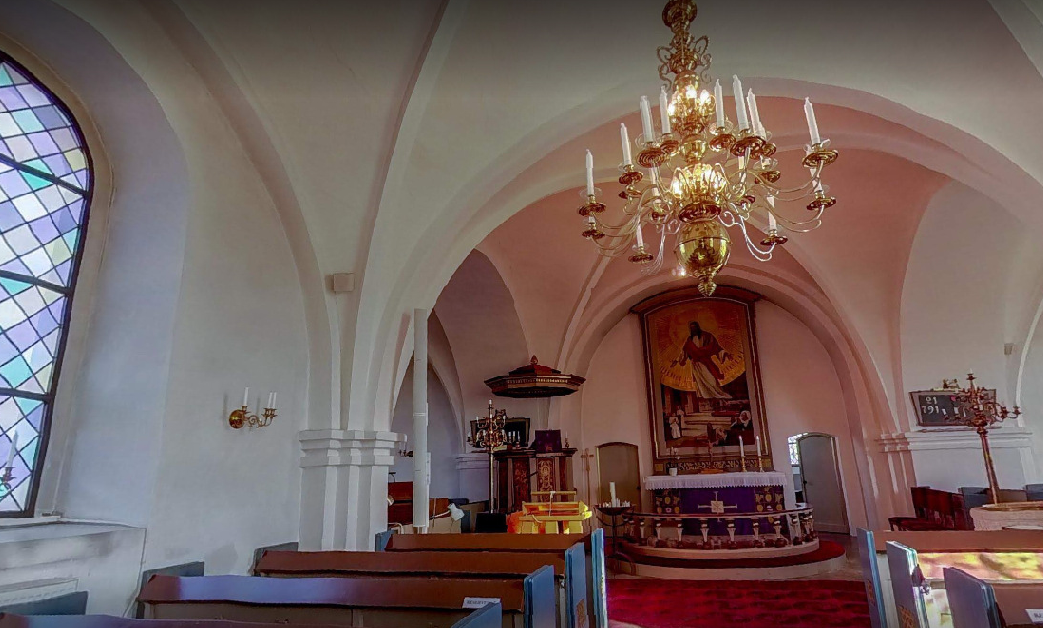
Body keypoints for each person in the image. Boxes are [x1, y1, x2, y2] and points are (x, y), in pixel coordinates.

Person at [672, 321, 732, 399]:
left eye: (694, 327)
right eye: (691, 328)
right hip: (695, 364)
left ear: (698, 327)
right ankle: (706, 396)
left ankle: (718, 393)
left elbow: (715, 347)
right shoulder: (689, 340)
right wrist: (677, 360)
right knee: (700, 381)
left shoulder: (707, 336)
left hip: (705, 361)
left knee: (711, 379)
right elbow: (684, 352)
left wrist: (726, 354)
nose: (693, 329)